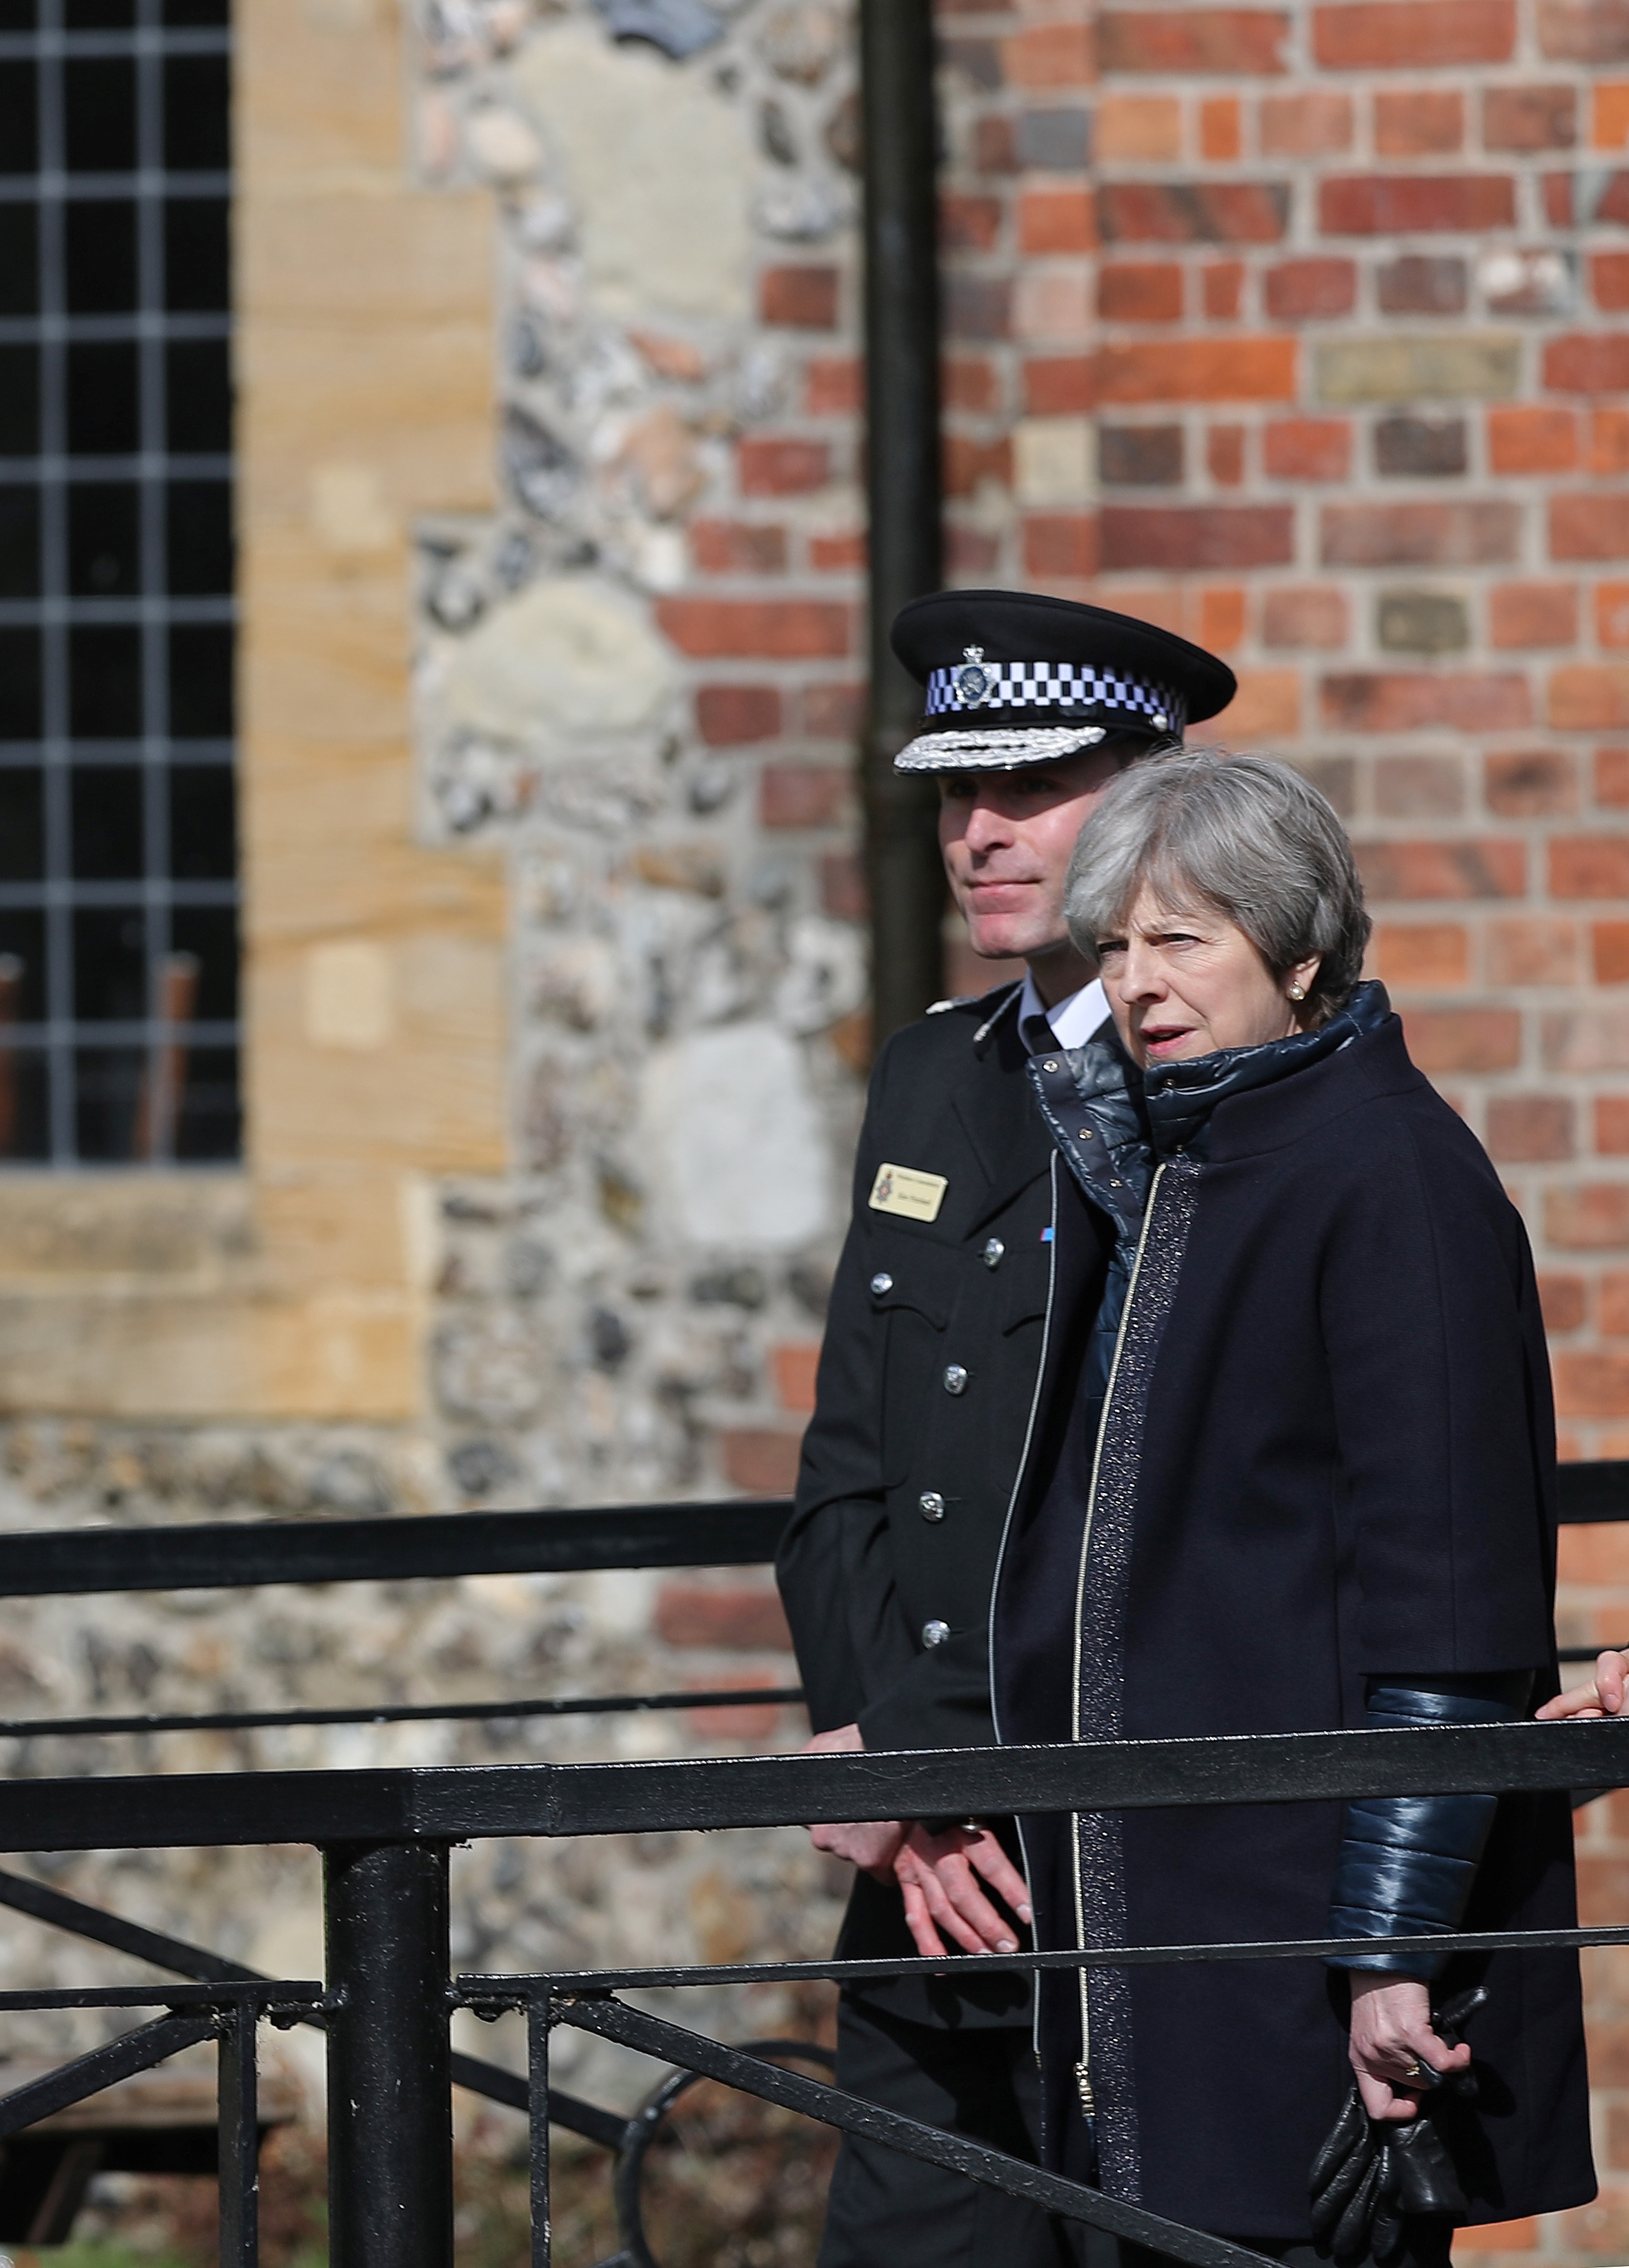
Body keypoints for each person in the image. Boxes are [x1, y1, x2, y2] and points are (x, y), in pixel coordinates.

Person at [992, 750, 1590, 2262]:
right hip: (1153, 1930)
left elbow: (1454, 1622)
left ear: (1301, 952)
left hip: (1299, 1961)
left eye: (1181, 938)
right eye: (1114, 945)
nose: (1137, 983)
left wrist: (1388, 1954)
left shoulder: (1391, 1176)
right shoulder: (1187, 1159)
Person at [778, 591, 1233, 2268]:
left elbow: (1172, 1505)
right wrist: (901, 1772)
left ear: (1152, 800)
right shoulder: (933, 1073)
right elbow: (849, 1471)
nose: (979, 831)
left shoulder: (1213, 1084)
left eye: (1030, 789)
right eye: (957, 793)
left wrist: (971, 1776)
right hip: (930, 1869)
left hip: (1130, 1859)